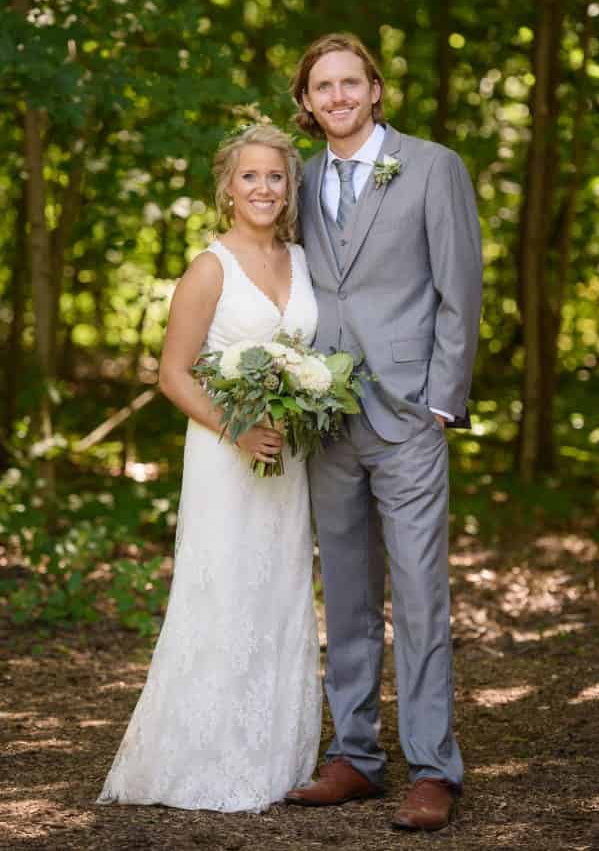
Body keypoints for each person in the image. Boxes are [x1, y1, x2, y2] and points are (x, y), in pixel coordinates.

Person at [277, 33, 484, 832]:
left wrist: (442, 399)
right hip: (325, 415)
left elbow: (459, 287)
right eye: (321, 86)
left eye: (349, 83)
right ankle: (356, 755)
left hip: (407, 416)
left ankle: (434, 766)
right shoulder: (297, 178)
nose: (337, 97)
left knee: (422, 594)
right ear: (307, 100)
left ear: (375, 89)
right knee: (350, 594)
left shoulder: (433, 166)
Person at [98, 122, 322, 812]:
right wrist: (237, 428)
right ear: (228, 187)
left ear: (290, 189)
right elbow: (172, 373)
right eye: (250, 176)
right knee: (222, 591)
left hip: (288, 460)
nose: (263, 188)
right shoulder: (209, 267)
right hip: (227, 457)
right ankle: (203, 757)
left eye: (276, 177)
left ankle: (276, 754)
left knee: (281, 595)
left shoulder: (305, 261)